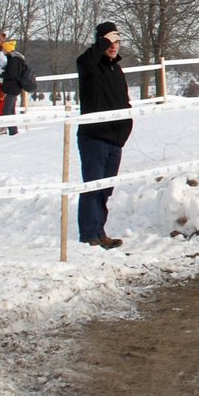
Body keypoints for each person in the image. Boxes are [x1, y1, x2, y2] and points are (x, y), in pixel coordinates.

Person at [75, 22, 133, 249]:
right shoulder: (90, 67)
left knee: (106, 189)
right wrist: (103, 41)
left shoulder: (116, 70)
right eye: (109, 42)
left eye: (117, 42)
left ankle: (100, 231)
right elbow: (85, 61)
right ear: (100, 42)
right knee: (93, 186)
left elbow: (124, 101)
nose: (113, 46)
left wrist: (126, 126)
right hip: (94, 137)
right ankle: (90, 233)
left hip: (114, 140)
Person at [0, 40, 26, 136]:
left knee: (6, 110)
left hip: (12, 87)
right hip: (14, 87)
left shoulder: (13, 59)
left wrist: (2, 74)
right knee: (10, 109)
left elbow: (12, 73)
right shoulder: (17, 57)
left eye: (4, 49)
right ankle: (13, 131)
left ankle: (13, 131)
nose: (3, 51)